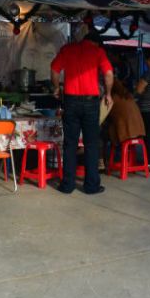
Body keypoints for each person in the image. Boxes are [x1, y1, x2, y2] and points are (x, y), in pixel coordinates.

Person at [51, 23, 113, 194]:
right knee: (91, 144)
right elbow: (108, 74)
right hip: (91, 102)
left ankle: (67, 185)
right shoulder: (98, 52)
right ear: (96, 43)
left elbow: (54, 70)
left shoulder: (67, 49)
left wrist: (56, 88)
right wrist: (108, 94)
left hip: (70, 101)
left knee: (70, 144)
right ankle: (91, 186)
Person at [107, 78, 146, 149]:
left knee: (103, 132)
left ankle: (103, 156)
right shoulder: (128, 96)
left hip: (126, 134)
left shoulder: (112, 98)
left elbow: (104, 116)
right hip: (140, 133)